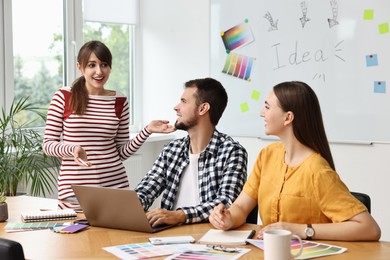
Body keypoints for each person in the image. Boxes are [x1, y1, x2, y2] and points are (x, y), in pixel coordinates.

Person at [209, 81, 381, 241]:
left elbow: (369, 228)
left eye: (267, 107)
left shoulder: (317, 170)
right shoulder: (267, 155)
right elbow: (241, 207)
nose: (262, 113)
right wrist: (227, 218)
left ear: (288, 117)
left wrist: (302, 230)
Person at [43, 40, 175, 208]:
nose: (99, 71)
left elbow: (121, 152)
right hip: (75, 192)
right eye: (92, 65)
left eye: (104, 64)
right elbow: (48, 145)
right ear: (80, 67)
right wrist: (72, 149)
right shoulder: (64, 96)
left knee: (117, 235)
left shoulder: (119, 101)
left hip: (115, 188)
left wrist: (147, 130)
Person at [135, 77, 248, 227]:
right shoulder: (172, 150)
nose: (176, 107)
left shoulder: (232, 152)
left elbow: (226, 203)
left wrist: (180, 215)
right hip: (168, 236)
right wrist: (128, 208)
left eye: (183, 101)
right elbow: (146, 190)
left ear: (202, 108)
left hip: (209, 236)